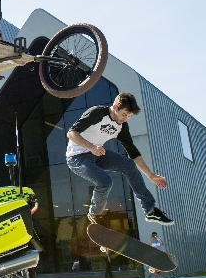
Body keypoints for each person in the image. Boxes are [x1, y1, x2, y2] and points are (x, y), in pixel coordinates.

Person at [66, 92, 174, 226]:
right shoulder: (97, 113)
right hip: (77, 157)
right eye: (124, 114)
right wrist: (91, 147)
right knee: (105, 182)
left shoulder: (121, 126)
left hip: (98, 155)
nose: (125, 119)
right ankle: (95, 215)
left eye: (129, 116)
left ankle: (150, 210)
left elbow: (133, 152)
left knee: (128, 165)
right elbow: (71, 133)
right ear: (115, 107)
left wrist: (151, 175)